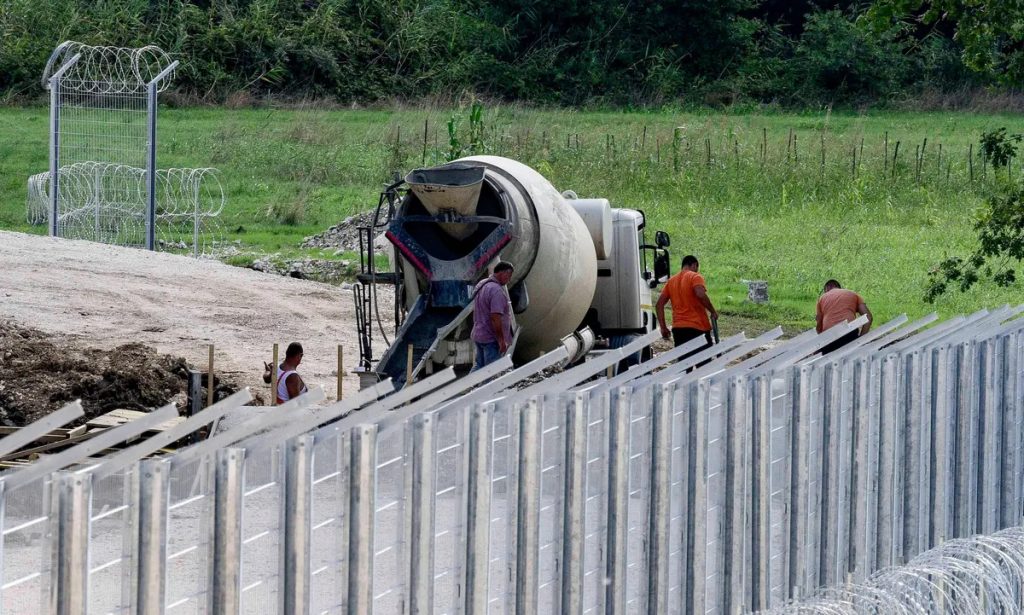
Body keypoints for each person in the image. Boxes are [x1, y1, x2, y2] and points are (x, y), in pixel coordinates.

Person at [656, 255, 718, 359]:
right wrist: (712, 311)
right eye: (697, 268)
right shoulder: (695, 276)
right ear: (694, 265)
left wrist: (663, 327)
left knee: (684, 365)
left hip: (679, 330)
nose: (697, 271)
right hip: (697, 328)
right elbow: (700, 294)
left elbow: (659, 305)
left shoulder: (671, 281)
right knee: (703, 364)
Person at [470, 261, 514, 371]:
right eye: (508, 276)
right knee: (490, 371)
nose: (509, 280)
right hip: (490, 338)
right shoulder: (496, 291)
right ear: (502, 273)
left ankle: (469, 382)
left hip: (479, 334)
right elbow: (495, 318)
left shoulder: (482, 284)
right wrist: (501, 341)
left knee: (479, 366)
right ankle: (485, 384)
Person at [815, 280, 872, 354]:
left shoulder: (822, 299)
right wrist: (861, 340)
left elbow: (819, 326)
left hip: (829, 337)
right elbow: (869, 317)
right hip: (849, 334)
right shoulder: (853, 294)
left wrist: (819, 346)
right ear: (839, 287)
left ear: (826, 289)